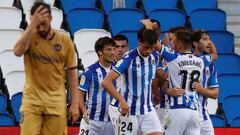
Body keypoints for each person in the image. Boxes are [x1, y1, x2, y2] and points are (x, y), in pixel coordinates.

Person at [13, 2, 79, 135]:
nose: (41, 27)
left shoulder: (65, 41)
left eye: (44, 23)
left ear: (50, 18)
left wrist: (75, 103)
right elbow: (17, 51)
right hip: (32, 101)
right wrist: (31, 26)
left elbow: (72, 73)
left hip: (56, 101)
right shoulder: (29, 37)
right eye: (38, 23)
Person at [102, 29, 163, 135]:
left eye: (152, 48)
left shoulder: (155, 57)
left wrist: (156, 94)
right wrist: (121, 100)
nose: (149, 51)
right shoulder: (128, 59)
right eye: (146, 47)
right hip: (128, 109)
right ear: (139, 41)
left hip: (147, 108)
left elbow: (150, 79)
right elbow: (106, 82)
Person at [78, 37, 116, 135]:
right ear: (99, 52)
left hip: (112, 121)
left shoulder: (118, 70)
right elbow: (79, 94)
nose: (113, 52)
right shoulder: (90, 71)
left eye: (113, 49)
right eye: (108, 49)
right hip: (92, 120)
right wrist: (83, 111)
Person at [192, 29, 219, 135]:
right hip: (189, 114)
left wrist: (202, 90)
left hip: (204, 116)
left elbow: (215, 94)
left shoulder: (210, 66)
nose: (208, 42)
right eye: (204, 39)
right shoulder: (186, 59)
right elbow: (215, 54)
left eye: (210, 40)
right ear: (195, 43)